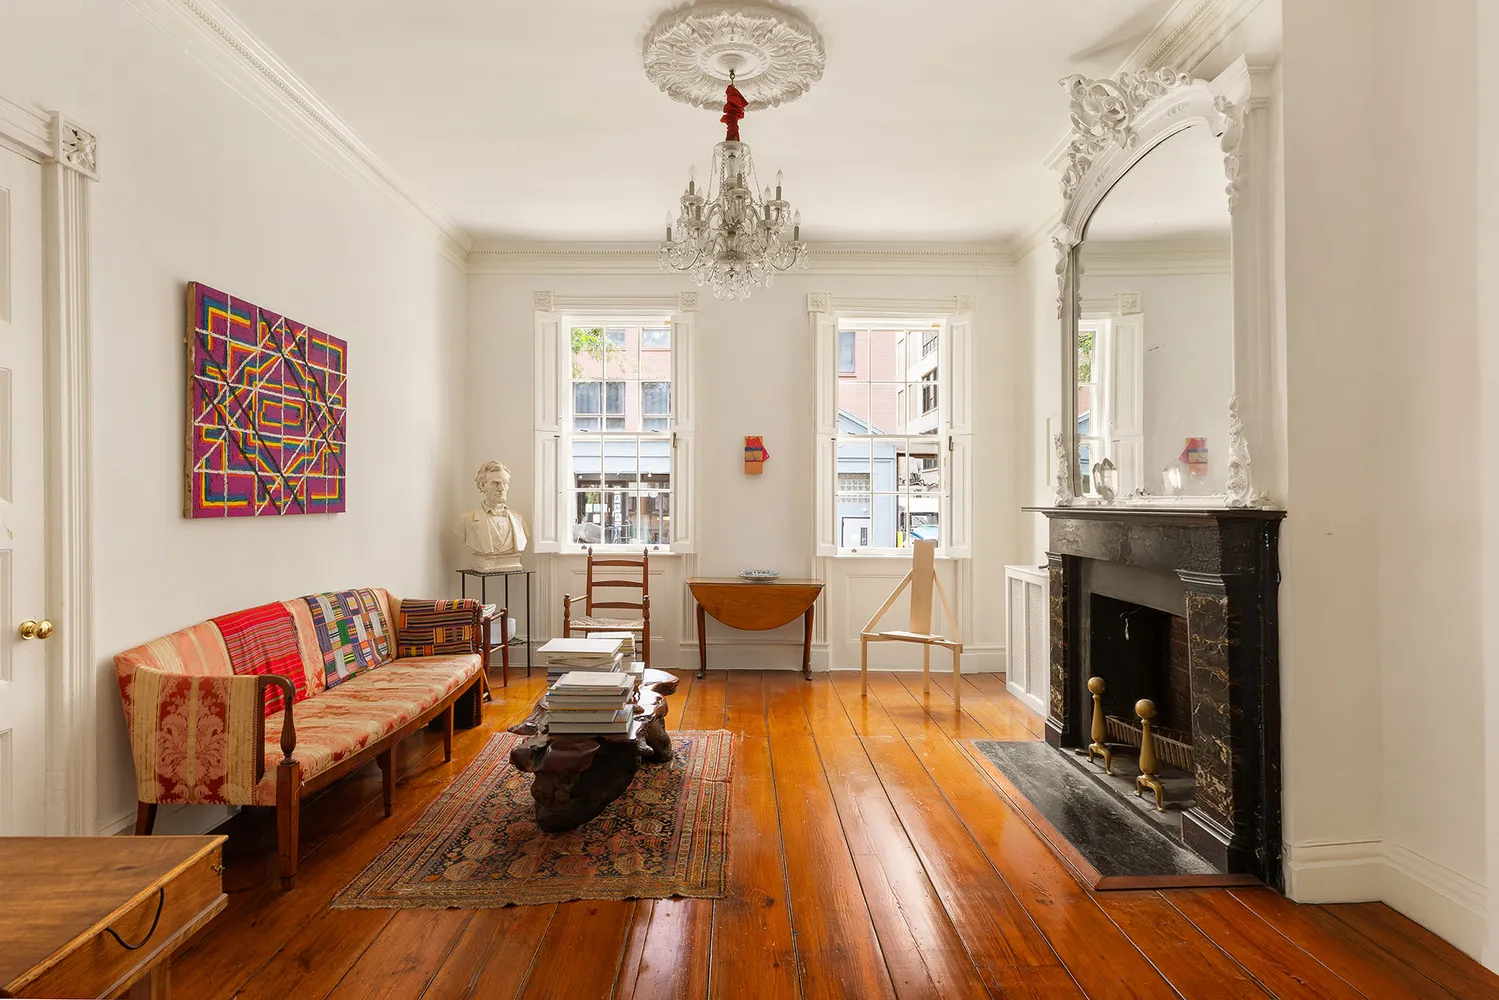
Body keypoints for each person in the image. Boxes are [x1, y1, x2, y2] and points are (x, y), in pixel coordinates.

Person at [454, 461, 528, 571]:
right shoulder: (466, 520)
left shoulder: (518, 519)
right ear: (482, 485)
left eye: (505, 483)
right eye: (495, 483)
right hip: (484, 564)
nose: (501, 488)